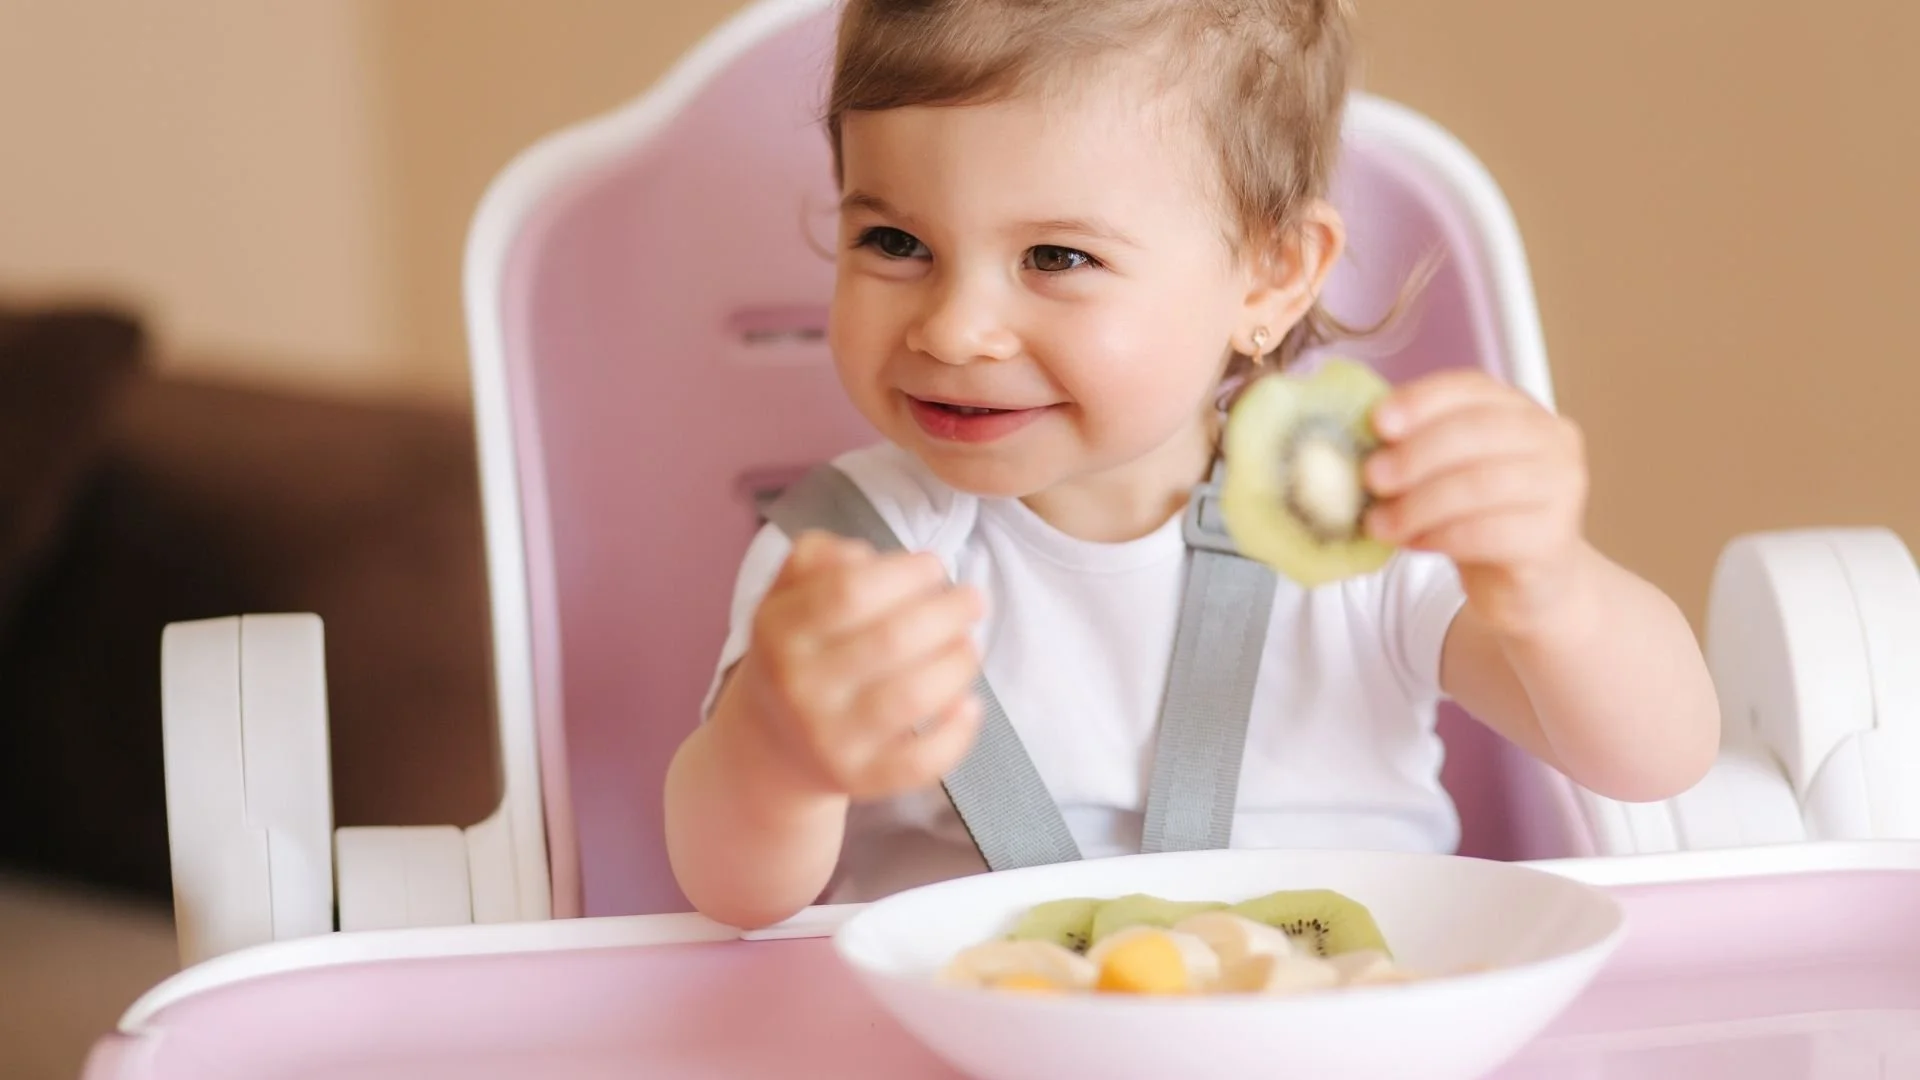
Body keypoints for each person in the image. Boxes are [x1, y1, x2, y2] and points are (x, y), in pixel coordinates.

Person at [663, 0, 1720, 930]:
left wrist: (1552, 589)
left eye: (1056, 258)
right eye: (896, 243)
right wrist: (775, 754)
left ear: (1270, 276)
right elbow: (735, 891)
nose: (956, 329)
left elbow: (1655, 760)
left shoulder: (1373, 522)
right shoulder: (846, 557)